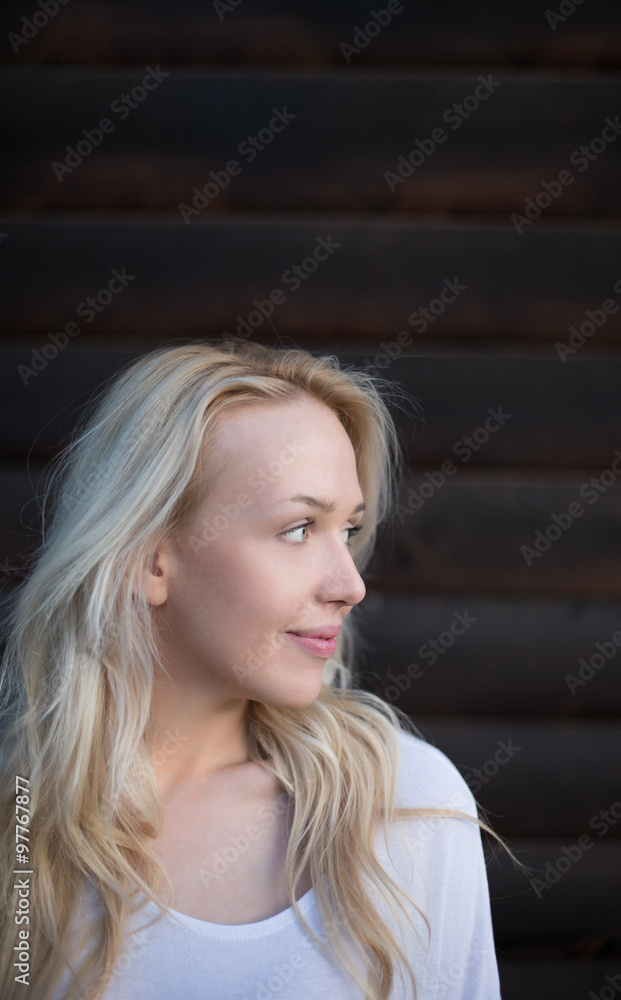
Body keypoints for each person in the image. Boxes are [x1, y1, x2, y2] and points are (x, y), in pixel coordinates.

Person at [0, 338, 503, 1000]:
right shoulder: (21, 828)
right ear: (148, 559)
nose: (350, 585)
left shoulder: (407, 808)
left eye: (348, 530)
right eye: (298, 529)